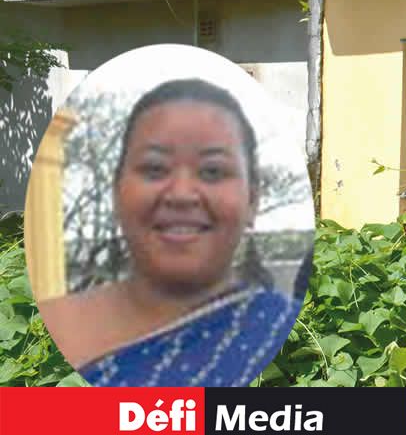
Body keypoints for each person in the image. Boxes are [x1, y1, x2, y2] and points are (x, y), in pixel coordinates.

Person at [39, 79, 302, 386]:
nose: (181, 194)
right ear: (116, 192)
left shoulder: (281, 331)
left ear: (252, 201)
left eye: (213, 171)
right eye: (154, 168)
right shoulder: (55, 328)